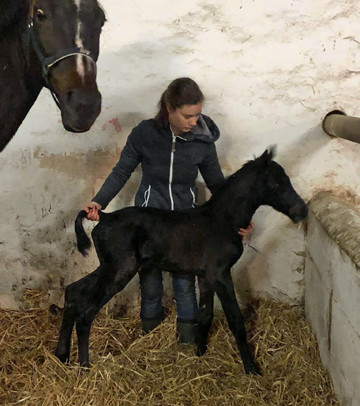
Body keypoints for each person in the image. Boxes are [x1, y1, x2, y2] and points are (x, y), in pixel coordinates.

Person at [85, 77, 253, 342]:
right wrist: (99, 202)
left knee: (184, 283)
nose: (194, 122)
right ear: (168, 109)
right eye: (187, 115)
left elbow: (218, 186)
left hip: (185, 222)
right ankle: (150, 342)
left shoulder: (203, 141)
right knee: (149, 282)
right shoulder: (144, 133)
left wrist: (238, 219)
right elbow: (121, 171)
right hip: (149, 219)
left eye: (197, 115)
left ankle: (187, 343)